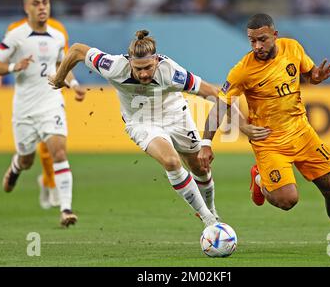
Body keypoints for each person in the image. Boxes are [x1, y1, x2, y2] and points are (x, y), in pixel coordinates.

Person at [198, 13, 330, 253]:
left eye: (262, 40)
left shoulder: (293, 47)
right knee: (287, 201)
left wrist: (314, 78)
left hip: (302, 132)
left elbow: (308, 73)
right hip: (269, 141)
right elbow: (220, 104)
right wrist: (206, 143)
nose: (257, 46)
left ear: (275, 36)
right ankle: (260, 178)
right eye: (252, 41)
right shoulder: (243, 71)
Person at [49, 30, 220, 227]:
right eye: (138, 69)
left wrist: (209, 140)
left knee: (200, 168)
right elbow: (77, 50)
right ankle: (209, 221)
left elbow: (214, 94)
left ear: (156, 60)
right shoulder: (113, 66)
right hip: (141, 122)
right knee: (171, 162)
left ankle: (211, 211)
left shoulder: (172, 72)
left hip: (175, 115)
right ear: (130, 61)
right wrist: (59, 78)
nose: (144, 74)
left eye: (148, 67)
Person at [0, 0, 86, 227]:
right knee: (27, 159)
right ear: (26, 8)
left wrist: (74, 86)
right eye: (36, 4)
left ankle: (66, 209)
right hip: (24, 108)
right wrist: (12, 68)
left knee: (59, 152)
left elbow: (62, 66)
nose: (42, 8)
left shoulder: (58, 35)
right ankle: (16, 166)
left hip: (51, 102)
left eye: (45, 3)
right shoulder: (15, 35)